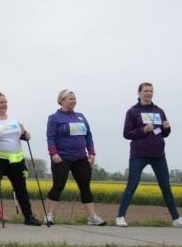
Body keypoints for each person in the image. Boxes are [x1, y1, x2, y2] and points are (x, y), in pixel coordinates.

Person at [117, 82, 182, 227]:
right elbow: (126, 133)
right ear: (139, 93)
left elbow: (163, 133)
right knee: (132, 184)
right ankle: (120, 217)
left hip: (158, 154)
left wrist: (167, 128)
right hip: (139, 154)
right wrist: (143, 130)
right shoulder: (132, 111)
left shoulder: (159, 111)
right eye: (146, 91)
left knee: (166, 186)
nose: (149, 93)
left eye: (151, 91)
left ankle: (176, 219)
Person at [0, 92, 42, 226]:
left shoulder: (14, 118)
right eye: (1, 102)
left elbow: (24, 133)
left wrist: (27, 136)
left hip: (16, 158)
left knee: (21, 188)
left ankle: (29, 217)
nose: (4, 104)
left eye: (6, 102)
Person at [45, 89, 105, 226]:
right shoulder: (55, 118)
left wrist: (91, 152)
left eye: (75, 99)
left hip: (80, 158)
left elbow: (88, 135)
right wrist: (53, 153)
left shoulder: (81, 117)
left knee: (85, 187)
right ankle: (49, 215)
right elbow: (51, 137)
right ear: (62, 100)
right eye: (70, 99)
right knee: (58, 185)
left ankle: (92, 217)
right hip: (62, 157)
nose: (74, 101)